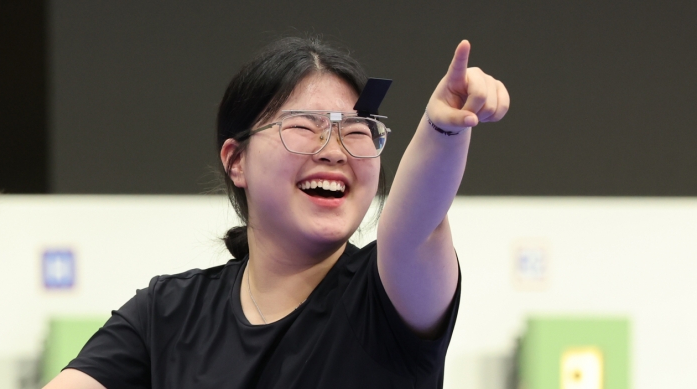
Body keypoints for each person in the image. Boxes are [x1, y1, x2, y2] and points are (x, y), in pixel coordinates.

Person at [44, 36, 509, 388]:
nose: (335, 151)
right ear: (236, 160)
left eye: (357, 130)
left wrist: (443, 128)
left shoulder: (386, 297)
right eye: (304, 127)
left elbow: (417, 223)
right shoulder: (166, 313)